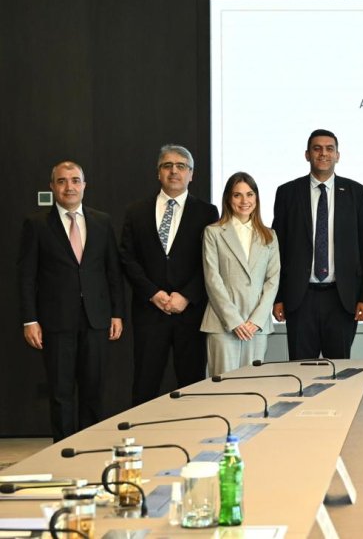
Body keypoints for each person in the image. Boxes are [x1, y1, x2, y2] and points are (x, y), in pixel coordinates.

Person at [18, 161, 124, 441]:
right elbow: (26, 276)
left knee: (94, 390)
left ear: (84, 186)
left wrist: (117, 313)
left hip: (96, 319)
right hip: (55, 321)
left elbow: (113, 271)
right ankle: (63, 451)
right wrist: (30, 320)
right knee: (61, 392)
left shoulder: (102, 221)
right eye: (62, 181)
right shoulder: (37, 224)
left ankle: (90, 446)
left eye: (75, 180)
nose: (69, 187)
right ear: (52, 186)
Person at [121, 145, 219, 405]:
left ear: (191, 174)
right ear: (158, 173)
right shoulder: (136, 211)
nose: (174, 171)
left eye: (181, 166)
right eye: (167, 166)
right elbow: (127, 258)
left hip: (190, 313)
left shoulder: (208, 212)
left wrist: (186, 296)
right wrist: (153, 293)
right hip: (149, 311)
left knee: (192, 385)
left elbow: (210, 262)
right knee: (145, 384)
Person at [271, 129, 363, 360]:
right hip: (299, 298)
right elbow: (277, 249)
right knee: (300, 370)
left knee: (339, 370)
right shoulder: (287, 192)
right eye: (317, 148)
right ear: (307, 154)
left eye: (329, 149)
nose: (323, 153)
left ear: (338, 155)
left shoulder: (357, 193)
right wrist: (278, 297)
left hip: (342, 299)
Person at [201, 172, 281, 375]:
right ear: (228, 199)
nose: (245, 201)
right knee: (223, 387)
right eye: (237, 195)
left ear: (256, 198)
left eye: (250, 194)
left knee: (253, 385)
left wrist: (256, 320)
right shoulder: (213, 232)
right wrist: (234, 321)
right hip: (223, 324)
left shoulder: (269, 236)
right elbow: (212, 279)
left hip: (256, 327)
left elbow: (273, 280)